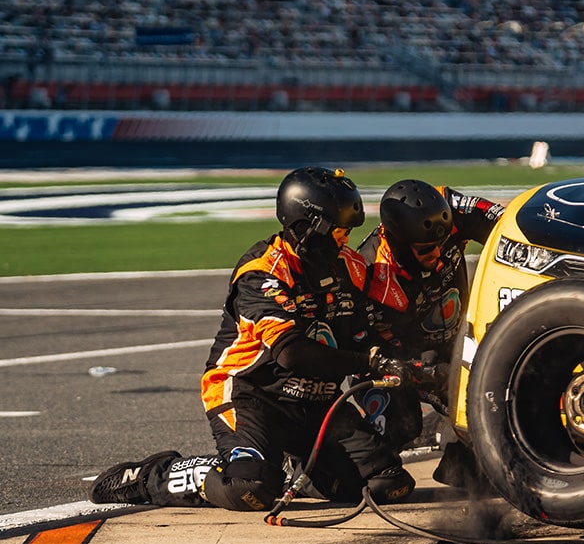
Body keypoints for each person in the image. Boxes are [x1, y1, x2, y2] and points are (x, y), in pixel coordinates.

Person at [88, 166, 415, 511]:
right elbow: (291, 353)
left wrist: (404, 362)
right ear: (306, 228)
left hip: (318, 402)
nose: (345, 240)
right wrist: (370, 362)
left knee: (387, 484)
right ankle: (154, 474)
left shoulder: (350, 266)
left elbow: (365, 331)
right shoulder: (262, 273)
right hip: (252, 395)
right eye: (338, 232)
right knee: (250, 488)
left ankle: (300, 472)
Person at [356, 179, 505, 486]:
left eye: (443, 242)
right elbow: (360, 348)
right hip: (400, 357)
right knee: (397, 425)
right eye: (426, 249)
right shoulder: (370, 274)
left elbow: (506, 223)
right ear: (399, 243)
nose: (438, 253)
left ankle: (460, 462)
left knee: (497, 402)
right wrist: (424, 373)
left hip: (457, 338)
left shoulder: (444, 208)